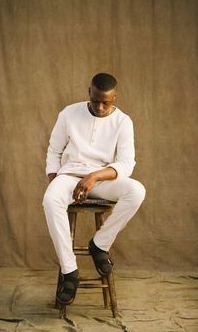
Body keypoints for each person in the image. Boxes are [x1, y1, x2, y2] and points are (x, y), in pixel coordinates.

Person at [42, 73, 146, 305]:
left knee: (136, 191)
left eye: (105, 102)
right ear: (88, 91)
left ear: (114, 97)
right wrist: (56, 183)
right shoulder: (69, 113)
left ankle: (100, 244)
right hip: (69, 176)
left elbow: (126, 164)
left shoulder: (123, 122)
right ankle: (70, 271)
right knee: (50, 200)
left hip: (103, 181)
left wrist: (94, 176)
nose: (99, 106)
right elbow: (54, 151)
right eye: (95, 99)